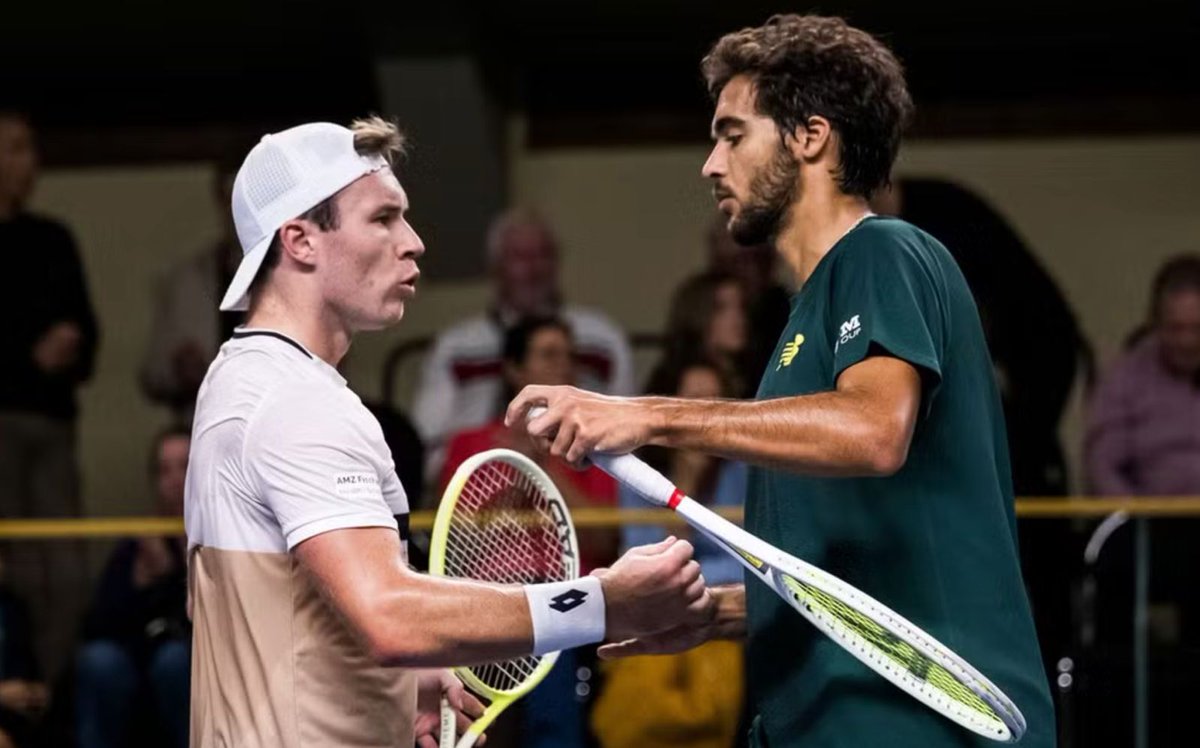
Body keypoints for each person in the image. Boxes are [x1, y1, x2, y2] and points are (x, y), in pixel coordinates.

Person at [506, 15, 1055, 748]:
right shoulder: (805, 321)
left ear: (810, 137)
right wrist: (727, 612)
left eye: (733, 135)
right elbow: (864, 576)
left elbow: (874, 431)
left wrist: (648, 416)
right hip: (825, 716)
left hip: (916, 723)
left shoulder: (881, 253)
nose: (710, 163)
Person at [185, 117, 712, 747]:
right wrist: (600, 603)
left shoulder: (238, 380)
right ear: (299, 240)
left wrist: (396, 681)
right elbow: (388, 613)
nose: (413, 242)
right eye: (382, 218)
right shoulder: (298, 403)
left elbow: (284, 614)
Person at [592, 357, 747, 748]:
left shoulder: (746, 473)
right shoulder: (637, 473)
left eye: (714, 400)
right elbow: (643, 557)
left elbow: (751, 565)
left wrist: (689, 577)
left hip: (732, 624)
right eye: (692, 398)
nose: (701, 411)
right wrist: (686, 488)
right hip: (658, 616)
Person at [412, 209, 634, 476]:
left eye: (543, 255)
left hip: (582, 470)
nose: (534, 268)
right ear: (494, 266)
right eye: (520, 257)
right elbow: (429, 442)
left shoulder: (602, 337)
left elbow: (629, 429)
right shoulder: (456, 346)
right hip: (474, 476)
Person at [0, 109, 99, 678]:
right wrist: (25, 357)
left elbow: (87, 332)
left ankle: (54, 695)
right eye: (14, 148)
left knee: (63, 569)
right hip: (3, 426)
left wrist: (70, 348)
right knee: (13, 570)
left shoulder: (52, 239)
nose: (28, 161)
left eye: (31, 147)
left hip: (53, 425)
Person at [76, 425, 191, 748]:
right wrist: (139, 584)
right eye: (164, 470)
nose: (175, 480)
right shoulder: (139, 543)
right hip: (133, 664)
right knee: (99, 661)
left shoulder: (220, 540)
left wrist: (181, 571)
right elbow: (96, 626)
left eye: (185, 466)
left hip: (185, 662)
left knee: (174, 662)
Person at [139, 155, 245, 420]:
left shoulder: (292, 277)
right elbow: (153, 373)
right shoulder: (188, 279)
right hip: (200, 427)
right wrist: (179, 370)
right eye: (232, 201)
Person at [1085, 253, 1200, 496]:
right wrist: (1134, 516)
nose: (1186, 341)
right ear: (1155, 323)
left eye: (1196, 329)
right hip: (1151, 524)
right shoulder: (1125, 378)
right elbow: (1102, 465)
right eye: (1175, 328)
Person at [705, 213, 792, 387]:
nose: (747, 270)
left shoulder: (786, 313)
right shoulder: (699, 299)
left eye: (755, 259)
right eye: (736, 261)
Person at [647, 270, 750, 397]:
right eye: (721, 308)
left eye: (741, 306)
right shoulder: (699, 379)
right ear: (699, 315)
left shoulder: (736, 371)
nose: (738, 318)